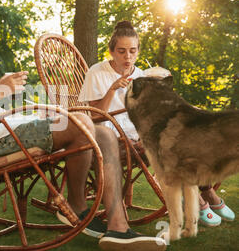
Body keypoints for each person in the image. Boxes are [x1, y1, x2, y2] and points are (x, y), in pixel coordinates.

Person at [0, 1, 167, 251]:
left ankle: (117, 228)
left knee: (101, 131)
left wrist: (33, 110)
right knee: (81, 121)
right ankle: (76, 205)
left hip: (10, 130)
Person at [78, 20, 235, 228]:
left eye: (132, 51)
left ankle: (207, 192)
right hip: (111, 135)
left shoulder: (140, 75)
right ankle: (200, 200)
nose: (127, 57)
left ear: (138, 51)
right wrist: (113, 89)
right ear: (111, 51)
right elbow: (95, 116)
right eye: (121, 51)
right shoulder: (96, 73)